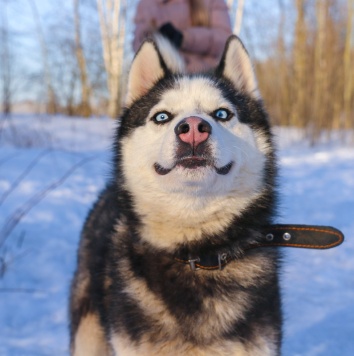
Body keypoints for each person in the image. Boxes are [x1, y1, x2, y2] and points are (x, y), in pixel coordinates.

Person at [133, 0, 232, 73]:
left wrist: (184, 38)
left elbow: (223, 39)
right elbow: (138, 44)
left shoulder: (211, 2)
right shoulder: (147, 4)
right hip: (160, 78)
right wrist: (156, 39)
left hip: (203, 76)